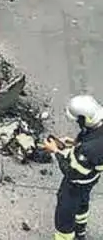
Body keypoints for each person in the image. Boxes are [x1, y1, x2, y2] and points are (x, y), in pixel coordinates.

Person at [42, 95, 103, 240]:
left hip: (76, 185)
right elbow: (90, 137)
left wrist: (55, 151)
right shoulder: (98, 125)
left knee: (64, 217)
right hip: (91, 179)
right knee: (82, 205)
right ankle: (80, 232)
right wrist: (75, 143)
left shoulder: (89, 150)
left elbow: (71, 171)